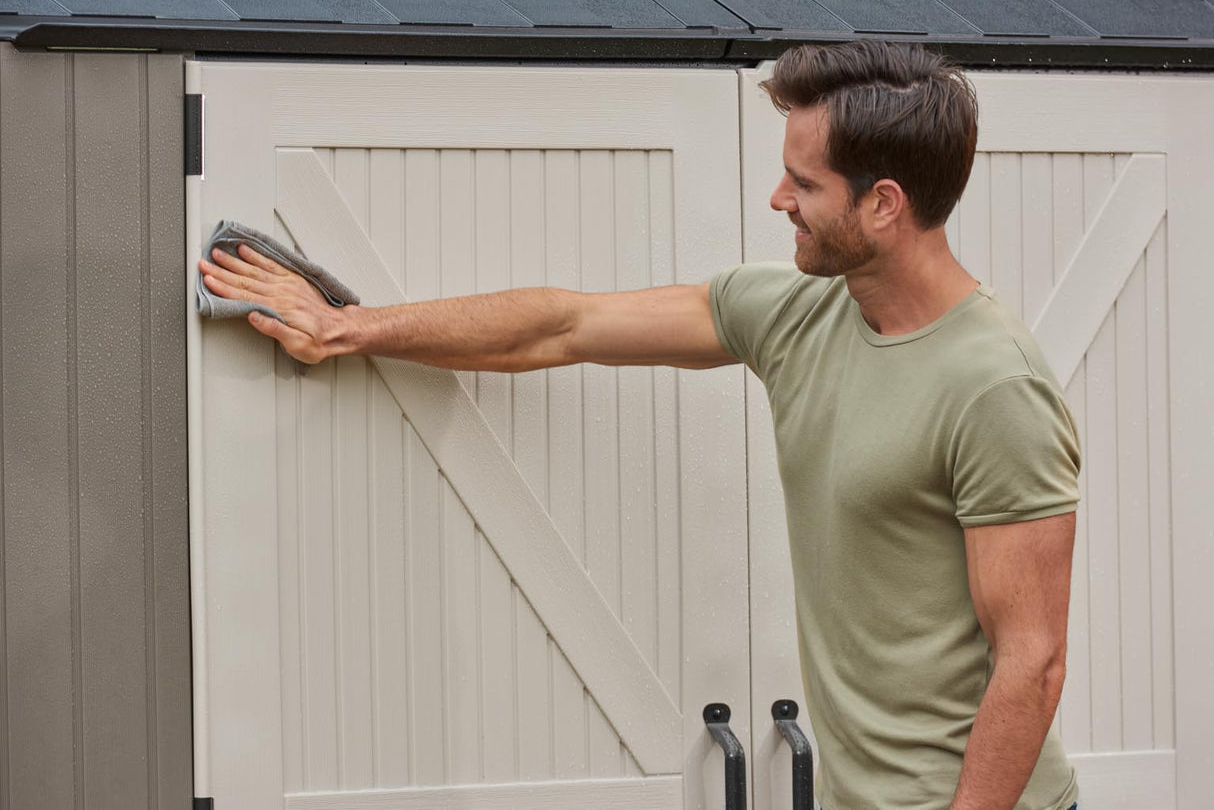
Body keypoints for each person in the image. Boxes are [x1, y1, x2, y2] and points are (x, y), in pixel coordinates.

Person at [199, 41, 1080, 810]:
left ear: (884, 204)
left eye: (804, 182)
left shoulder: (992, 385)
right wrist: (350, 327)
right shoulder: (798, 314)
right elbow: (563, 324)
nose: (778, 198)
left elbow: (1031, 660)